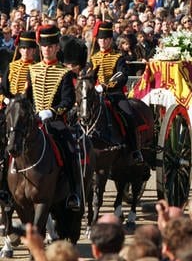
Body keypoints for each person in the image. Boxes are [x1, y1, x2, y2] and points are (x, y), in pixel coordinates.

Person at [25, 25, 81, 211]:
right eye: (44, 46)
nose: (47, 49)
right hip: (33, 121)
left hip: (55, 121)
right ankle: (6, 190)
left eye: (51, 46)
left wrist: (52, 112)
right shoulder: (32, 71)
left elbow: (68, 100)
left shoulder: (65, 73)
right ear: (40, 48)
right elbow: (27, 99)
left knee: (70, 149)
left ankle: (73, 192)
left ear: (57, 48)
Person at [90, 21, 143, 164]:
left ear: (111, 40)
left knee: (129, 115)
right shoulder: (92, 58)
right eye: (101, 39)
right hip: (95, 96)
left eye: (106, 39)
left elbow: (122, 75)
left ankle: (135, 150)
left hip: (114, 95)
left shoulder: (118, 57)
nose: (103, 41)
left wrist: (106, 86)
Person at [0, 31, 37, 205]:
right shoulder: (12, 67)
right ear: (19, 50)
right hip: (10, 111)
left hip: (29, 113)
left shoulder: (37, 67)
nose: (26, 52)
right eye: (23, 49)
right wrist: (6, 100)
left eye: (30, 49)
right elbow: (2, 89)